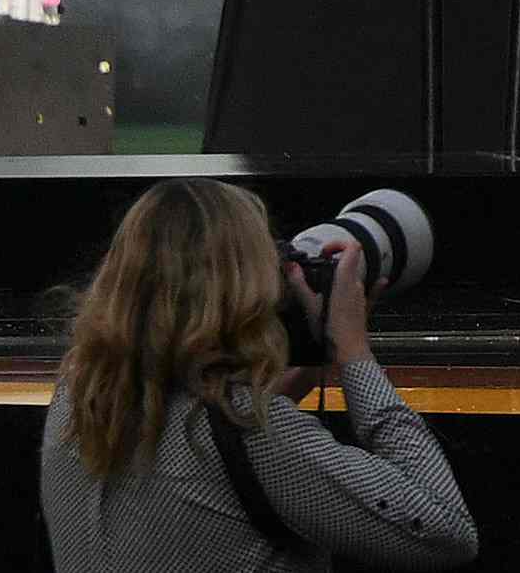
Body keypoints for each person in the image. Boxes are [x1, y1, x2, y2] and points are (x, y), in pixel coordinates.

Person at [42, 175, 473, 568]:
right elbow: (444, 529)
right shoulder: (250, 432)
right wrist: (353, 352)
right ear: (240, 289)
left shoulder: (79, 392)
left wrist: (316, 343)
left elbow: (217, 465)